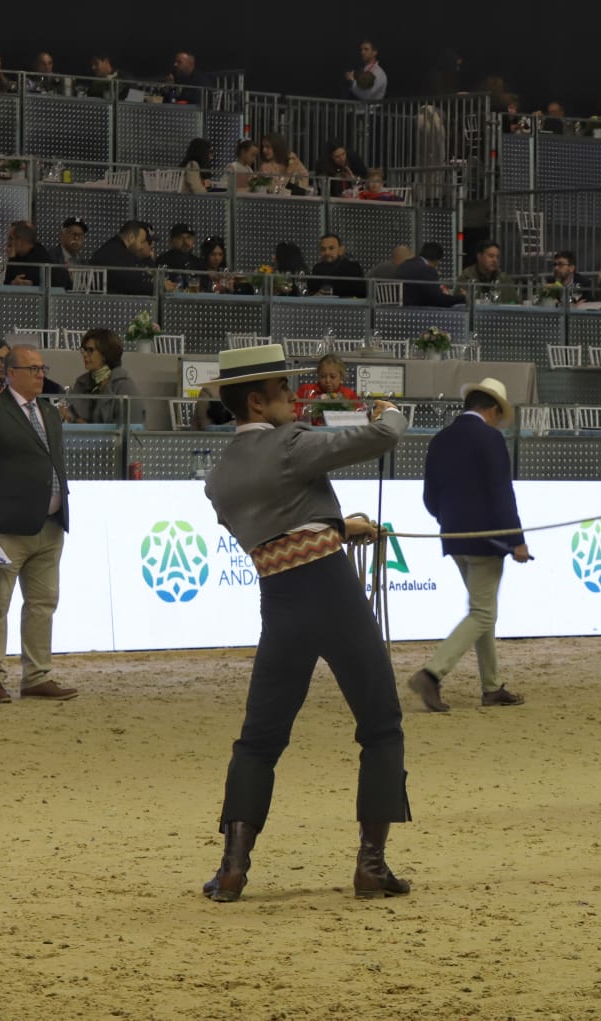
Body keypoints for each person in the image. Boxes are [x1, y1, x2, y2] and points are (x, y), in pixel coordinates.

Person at [197, 342, 410, 903]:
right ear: (258, 403)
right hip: (331, 592)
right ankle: (371, 865)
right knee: (380, 723)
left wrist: (339, 526)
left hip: (280, 599)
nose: (294, 398)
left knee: (260, 740)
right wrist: (387, 410)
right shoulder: (290, 444)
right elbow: (383, 436)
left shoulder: (217, 481)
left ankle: (233, 867)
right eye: (283, 391)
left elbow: (278, 532)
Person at [409, 377, 529, 713]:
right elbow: (501, 492)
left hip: (453, 535)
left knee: (482, 609)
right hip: (486, 538)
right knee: (482, 612)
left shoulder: (440, 439)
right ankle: (432, 673)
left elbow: (429, 497)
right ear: (491, 410)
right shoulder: (490, 438)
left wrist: (448, 521)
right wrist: (516, 540)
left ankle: (491, 686)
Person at [0, 340, 78, 704]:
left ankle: (36, 675)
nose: (40, 375)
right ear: (12, 373)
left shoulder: (48, 412)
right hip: (3, 526)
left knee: (43, 602)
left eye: (43, 369)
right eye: (33, 369)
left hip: (49, 524)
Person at [64, 329, 139, 425]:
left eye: (90, 350)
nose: (85, 355)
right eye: (84, 350)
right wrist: (68, 417)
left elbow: (130, 429)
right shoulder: (82, 383)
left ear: (105, 354)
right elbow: (73, 416)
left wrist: (88, 430)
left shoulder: (124, 386)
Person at [295, 353, 364, 422]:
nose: (328, 381)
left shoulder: (349, 394)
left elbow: (359, 418)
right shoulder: (306, 390)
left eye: (332, 377)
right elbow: (295, 415)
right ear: (318, 376)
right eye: (323, 376)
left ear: (341, 377)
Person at [4, 220, 69, 289]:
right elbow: (6, 285)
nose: (8, 243)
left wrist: (12, 259)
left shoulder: (40, 256)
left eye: (10, 239)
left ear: (20, 241)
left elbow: (26, 282)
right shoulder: (16, 256)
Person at [397, 242, 465, 306]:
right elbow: (438, 300)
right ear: (437, 260)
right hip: (418, 310)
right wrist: (462, 298)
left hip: (401, 307)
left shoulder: (405, 264)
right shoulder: (427, 270)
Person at [309, 233, 366, 298]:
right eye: (323, 249)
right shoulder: (317, 269)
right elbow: (312, 292)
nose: (327, 252)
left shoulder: (353, 267)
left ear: (341, 250)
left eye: (331, 248)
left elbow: (361, 293)